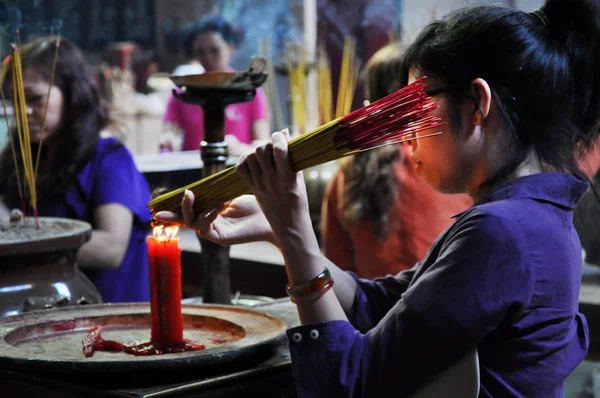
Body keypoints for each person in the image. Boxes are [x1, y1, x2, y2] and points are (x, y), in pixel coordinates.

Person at [156, 0, 600, 396]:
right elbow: (378, 305)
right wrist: (282, 231)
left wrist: (296, 239)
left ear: (477, 106)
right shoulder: (534, 220)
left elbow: (354, 382)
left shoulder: (502, 233)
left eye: (417, 109)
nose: (405, 139)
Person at [0, 37, 152, 303]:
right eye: (16, 101)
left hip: (108, 317)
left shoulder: (109, 158)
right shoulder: (21, 158)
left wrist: (20, 233)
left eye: (36, 99)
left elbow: (111, 249)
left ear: (72, 95)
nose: (24, 112)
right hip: (42, 315)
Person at [321, 42, 472, 279]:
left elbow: (335, 269)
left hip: (371, 310)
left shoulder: (348, 173)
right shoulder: (444, 163)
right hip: (443, 304)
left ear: (370, 97)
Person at [160, 15, 270, 154]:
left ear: (231, 47)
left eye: (215, 50)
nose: (208, 58)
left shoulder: (250, 91)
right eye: (201, 52)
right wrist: (169, 141)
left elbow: (263, 145)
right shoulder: (183, 92)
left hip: (239, 170)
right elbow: (169, 133)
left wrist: (239, 149)